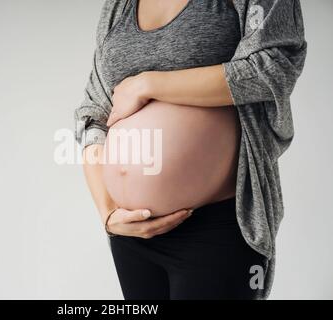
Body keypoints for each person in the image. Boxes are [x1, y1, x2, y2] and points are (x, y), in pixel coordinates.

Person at [74, 0, 307, 299]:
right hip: (132, 236)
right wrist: (107, 213)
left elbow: (274, 66)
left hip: (217, 227)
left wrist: (148, 84)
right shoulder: (119, 6)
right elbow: (94, 112)